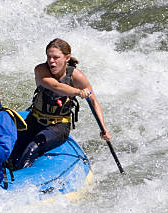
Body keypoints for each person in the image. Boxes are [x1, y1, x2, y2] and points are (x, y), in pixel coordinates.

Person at [11, 38, 111, 169]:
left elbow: (93, 101)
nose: (51, 61)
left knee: (33, 147)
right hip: (34, 120)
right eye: (49, 57)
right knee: (11, 147)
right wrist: (78, 92)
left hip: (58, 126)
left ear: (67, 57)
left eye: (56, 57)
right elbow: (55, 86)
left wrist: (103, 128)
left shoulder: (77, 76)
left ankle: (20, 176)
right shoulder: (41, 70)